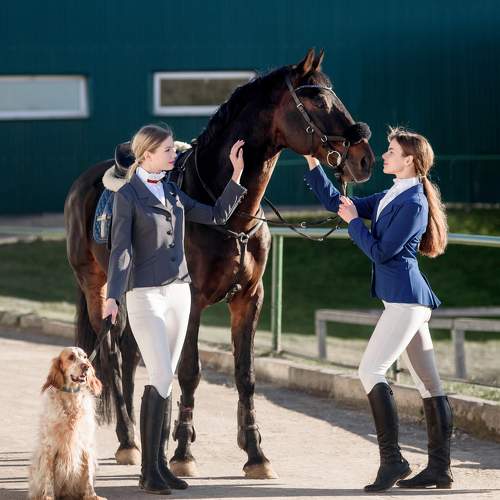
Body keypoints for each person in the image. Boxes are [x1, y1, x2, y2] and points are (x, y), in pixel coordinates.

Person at [303, 127, 453, 492]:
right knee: (430, 385)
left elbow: (381, 252)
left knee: (370, 370)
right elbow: (339, 204)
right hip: (404, 300)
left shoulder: (414, 203)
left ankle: (393, 461)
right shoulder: (394, 193)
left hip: (405, 301)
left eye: (391, 151)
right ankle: (440, 470)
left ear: (409, 160)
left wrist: (355, 223)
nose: (383, 156)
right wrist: (312, 162)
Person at [103, 124, 247, 495]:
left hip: (179, 293)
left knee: (164, 379)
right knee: (161, 372)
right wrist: (113, 296)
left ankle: (158, 466)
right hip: (145, 295)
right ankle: (148, 471)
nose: (174, 154)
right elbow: (121, 251)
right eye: (168, 150)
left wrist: (236, 175)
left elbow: (217, 215)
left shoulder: (171, 190)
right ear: (147, 154)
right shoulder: (127, 196)